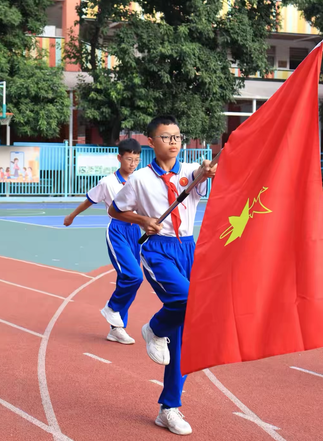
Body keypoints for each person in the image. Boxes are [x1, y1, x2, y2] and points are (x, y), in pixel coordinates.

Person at [108, 116, 216, 436]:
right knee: (186, 299)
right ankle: (154, 327)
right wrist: (142, 219)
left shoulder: (189, 172)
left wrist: (205, 171)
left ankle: (169, 407)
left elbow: (199, 174)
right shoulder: (139, 178)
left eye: (177, 136)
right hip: (158, 249)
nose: (173, 141)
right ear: (151, 142)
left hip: (189, 249)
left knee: (184, 335)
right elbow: (116, 210)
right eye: (165, 137)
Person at [64, 139, 143, 345]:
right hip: (118, 230)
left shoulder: (140, 180)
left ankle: (116, 328)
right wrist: (72, 216)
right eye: (129, 159)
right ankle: (112, 308)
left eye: (136, 160)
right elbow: (89, 200)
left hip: (136, 231)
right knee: (133, 276)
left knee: (127, 280)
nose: (133, 163)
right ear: (119, 158)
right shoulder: (108, 182)